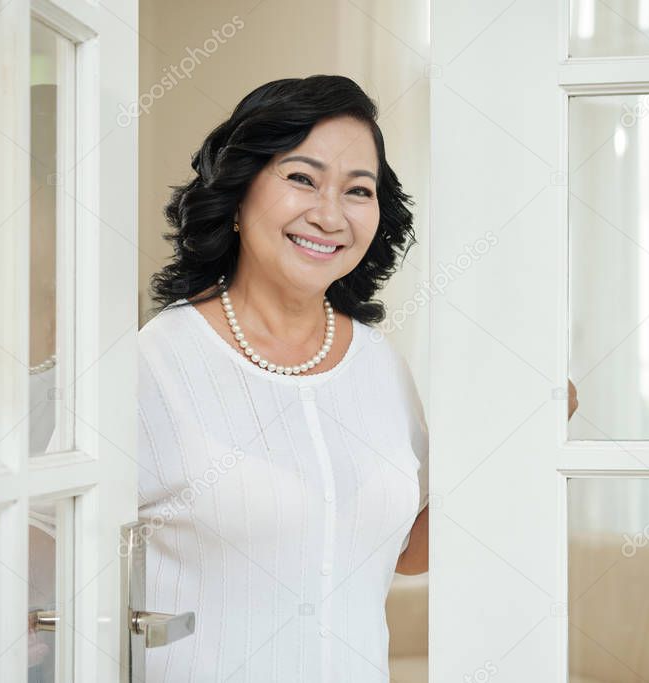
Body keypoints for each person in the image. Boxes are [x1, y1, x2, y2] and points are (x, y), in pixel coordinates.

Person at [137, 75, 427, 682]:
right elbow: (43, 582)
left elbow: (405, 552)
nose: (328, 214)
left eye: (357, 189)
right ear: (239, 193)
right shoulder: (154, 364)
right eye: (301, 178)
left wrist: (520, 440)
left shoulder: (382, 366)